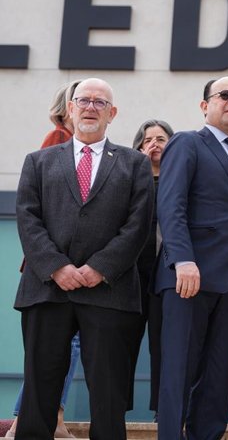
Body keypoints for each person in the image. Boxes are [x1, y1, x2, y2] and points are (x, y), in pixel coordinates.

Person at [14, 78, 154, 439]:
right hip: (47, 290)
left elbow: (138, 225)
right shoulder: (38, 161)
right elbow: (28, 219)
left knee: (108, 396)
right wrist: (57, 267)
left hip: (109, 292)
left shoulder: (134, 163)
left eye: (99, 102)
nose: (90, 107)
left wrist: (98, 269)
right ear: (71, 109)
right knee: (39, 392)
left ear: (113, 113)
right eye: (83, 100)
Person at [154, 76, 228, 440]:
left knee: (218, 380)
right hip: (189, 278)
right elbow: (171, 206)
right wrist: (182, 259)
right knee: (179, 372)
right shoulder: (187, 143)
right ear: (205, 106)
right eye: (225, 95)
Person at [6, 80, 83, 439]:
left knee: (64, 346)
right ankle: (39, 418)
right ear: (68, 107)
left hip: (68, 267)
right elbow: (48, 207)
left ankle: (43, 417)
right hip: (54, 268)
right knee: (60, 347)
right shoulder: (58, 140)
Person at [129, 119, 174, 417]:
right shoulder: (128, 178)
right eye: (148, 140)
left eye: (161, 139)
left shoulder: (179, 180)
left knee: (163, 346)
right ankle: (116, 408)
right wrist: (139, 171)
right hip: (131, 275)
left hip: (166, 274)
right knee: (124, 344)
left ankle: (163, 411)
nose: (154, 144)